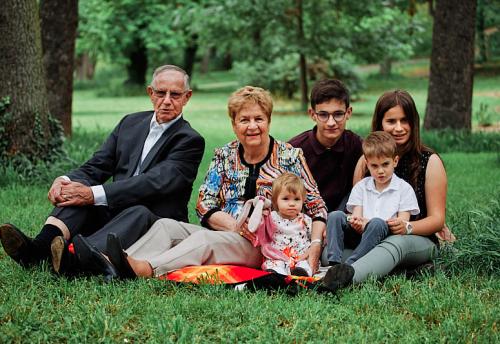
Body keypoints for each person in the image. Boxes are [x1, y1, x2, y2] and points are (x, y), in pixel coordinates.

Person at [100, 86, 328, 280]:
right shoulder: (224, 155)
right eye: (244, 120)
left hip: (268, 245)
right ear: (234, 124)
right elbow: (204, 203)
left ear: (268, 121)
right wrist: (232, 227)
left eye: (259, 119)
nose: (252, 126)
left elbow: (317, 206)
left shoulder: (290, 156)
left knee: (204, 239)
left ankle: (147, 268)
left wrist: (315, 244)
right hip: (228, 232)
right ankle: (116, 261)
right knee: (166, 226)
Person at [0, 65, 205, 278]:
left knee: (131, 209)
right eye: (161, 93)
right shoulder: (130, 123)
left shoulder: (190, 140)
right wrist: (65, 180)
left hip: (155, 221)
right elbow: (98, 164)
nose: (167, 100)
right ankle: (38, 250)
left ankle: (74, 260)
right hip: (116, 210)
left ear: (187, 97)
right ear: (150, 93)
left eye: (175, 94)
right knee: (78, 194)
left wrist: (93, 194)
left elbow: (154, 182)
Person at [324, 90, 447, 289]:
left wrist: (407, 227)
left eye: (404, 120)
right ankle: (399, 270)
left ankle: (343, 280)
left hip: (412, 238)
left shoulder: (429, 162)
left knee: (394, 245)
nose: (399, 128)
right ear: (380, 123)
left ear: (413, 123)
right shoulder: (365, 161)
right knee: (329, 250)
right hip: (369, 237)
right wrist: (356, 222)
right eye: (391, 121)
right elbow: (358, 205)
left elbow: (437, 219)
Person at [326, 131, 420, 267]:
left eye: (385, 164)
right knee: (335, 216)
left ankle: (349, 265)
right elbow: (356, 216)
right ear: (367, 163)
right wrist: (357, 223)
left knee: (376, 223)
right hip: (360, 235)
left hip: (385, 236)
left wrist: (371, 224)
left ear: (395, 161)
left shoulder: (404, 189)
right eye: (374, 166)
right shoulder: (361, 187)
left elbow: (402, 222)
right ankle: (333, 263)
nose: (380, 171)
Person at [289, 79, 363, 213]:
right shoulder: (293, 150)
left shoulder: (357, 146)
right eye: (323, 115)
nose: (331, 122)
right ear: (312, 114)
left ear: (348, 113)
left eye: (338, 114)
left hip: (345, 220)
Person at [261, 173, 316, 277]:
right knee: (274, 265)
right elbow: (262, 233)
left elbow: (314, 239)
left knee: (304, 265)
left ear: (303, 200)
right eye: (286, 199)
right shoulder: (271, 218)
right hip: (277, 256)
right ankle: (277, 276)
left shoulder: (306, 220)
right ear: (275, 201)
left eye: (296, 199)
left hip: (300, 257)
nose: (291, 203)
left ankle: (301, 275)